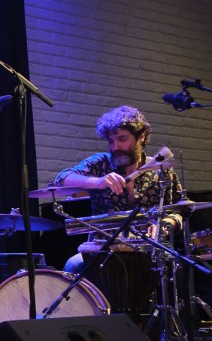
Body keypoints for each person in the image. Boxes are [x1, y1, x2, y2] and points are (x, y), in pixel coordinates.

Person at [50, 105, 182, 272]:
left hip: (150, 247)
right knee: (73, 265)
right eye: (111, 141)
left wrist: (165, 224)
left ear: (141, 137)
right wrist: (97, 182)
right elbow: (61, 179)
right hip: (103, 248)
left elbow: (180, 208)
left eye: (122, 139)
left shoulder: (161, 169)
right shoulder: (101, 163)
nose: (115, 147)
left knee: (179, 265)